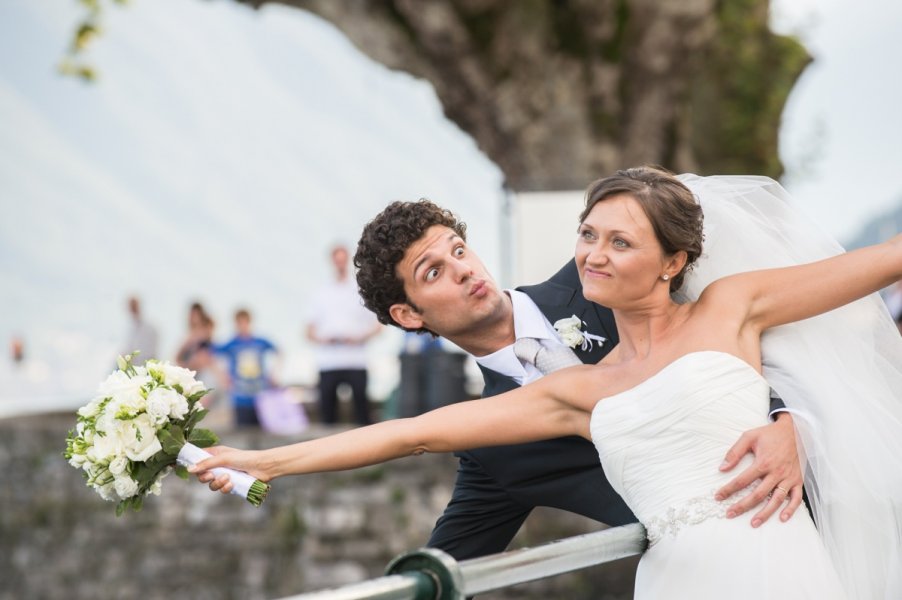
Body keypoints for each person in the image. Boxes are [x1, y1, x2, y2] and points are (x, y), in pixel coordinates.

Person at [193, 168, 902, 598]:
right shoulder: (560, 406)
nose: (596, 254)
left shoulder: (679, 294)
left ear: (670, 260)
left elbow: (870, 272)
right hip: (678, 577)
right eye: (435, 272)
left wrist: (791, 425)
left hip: (791, 547)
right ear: (408, 314)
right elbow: (411, 436)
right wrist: (260, 461)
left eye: (459, 250)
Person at [306, 244, 382, 426]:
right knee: (327, 415)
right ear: (332, 262)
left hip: (356, 360)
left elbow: (378, 326)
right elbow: (309, 331)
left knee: (362, 414)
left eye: (342, 260)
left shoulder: (361, 290)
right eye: (336, 260)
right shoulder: (321, 293)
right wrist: (324, 339)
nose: (339, 264)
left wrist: (358, 338)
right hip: (329, 362)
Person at [214, 308, 278, 427]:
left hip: (261, 397)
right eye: (239, 323)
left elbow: (279, 352)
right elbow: (210, 355)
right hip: (240, 397)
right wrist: (222, 376)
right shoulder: (231, 344)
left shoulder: (260, 342)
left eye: (245, 322)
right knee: (243, 433)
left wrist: (274, 373)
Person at [121, 295, 158, 365]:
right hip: (131, 364)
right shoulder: (129, 327)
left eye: (134, 306)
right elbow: (127, 347)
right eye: (131, 307)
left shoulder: (150, 327)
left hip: (145, 364)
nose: (132, 309)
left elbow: (151, 351)